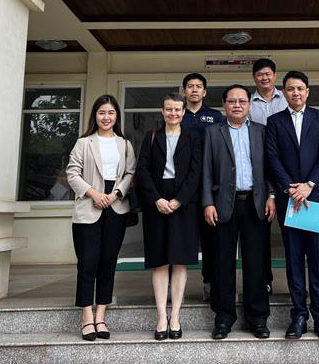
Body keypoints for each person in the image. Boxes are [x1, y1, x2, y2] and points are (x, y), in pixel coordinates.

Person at [202, 84, 276, 340]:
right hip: (224, 204)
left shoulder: (261, 132)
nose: (237, 105)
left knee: (256, 263)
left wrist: (272, 196)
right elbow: (206, 170)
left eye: (242, 101)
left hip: (255, 203)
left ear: (249, 105)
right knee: (222, 263)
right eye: (232, 101)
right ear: (224, 105)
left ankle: (257, 318)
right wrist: (207, 202)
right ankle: (224, 317)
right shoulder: (213, 132)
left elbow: (268, 168)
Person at [265, 70, 319, 339]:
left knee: (317, 259)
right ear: (283, 92)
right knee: (294, 259)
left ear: (307, 91)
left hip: (314, 198)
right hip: (290, 199)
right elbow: (272, 158)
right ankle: (298, 316)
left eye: (300, 88)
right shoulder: (275, 121)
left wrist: (309, 186)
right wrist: (291, 188)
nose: (295, 93)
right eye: (290, 89)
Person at [67, 94, 137, 341]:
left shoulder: (124, 144)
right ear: (95, 116)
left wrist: (116, 192)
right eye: (101, 113)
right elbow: (72, 173)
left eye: (111, 113)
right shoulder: (84, 143)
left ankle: (101, 316)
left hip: (116, 207)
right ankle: (86, 317)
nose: (106, 117)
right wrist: (94, 193)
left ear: (117, 116)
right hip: (89, 206)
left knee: (108, 261)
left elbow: (130, 172)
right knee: (88, 262)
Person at [136, 92, 202, 341]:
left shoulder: (193, 137)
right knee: (160, 260)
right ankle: (161, 316)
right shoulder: (151, 137)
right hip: (157, 200)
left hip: (184, 202)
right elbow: (142, 170)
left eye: (177, 109)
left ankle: (176, 316)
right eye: (169, 109)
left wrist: (179, 200)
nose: (173, 113)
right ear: (162, 111)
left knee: (180, 260)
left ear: (184, 112)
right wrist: (156, 199)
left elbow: (196, 172)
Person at [179, 72, 224, 302]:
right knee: (182, 238)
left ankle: (210, 282)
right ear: (184, 91)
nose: (194, 90)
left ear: (205, 92)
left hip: (210, 188)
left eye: (198, 86)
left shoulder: (216, 117)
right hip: (182, 189)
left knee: (211, 240)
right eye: (190, 86)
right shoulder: (178, 115)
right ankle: (176, 287)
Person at [248, 58, 287, 295]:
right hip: (260, 169)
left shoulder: (286, 99)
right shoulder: (248, 102)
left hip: (287, 169)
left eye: (268, 74)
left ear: (275, 76)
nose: (264, 78)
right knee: (260, 232)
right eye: (260, 74)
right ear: (255, 78)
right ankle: (265, 279)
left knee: (292, 231)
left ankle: (297, 283)